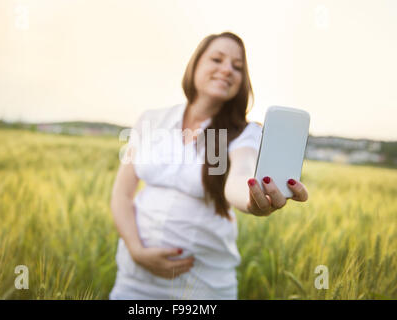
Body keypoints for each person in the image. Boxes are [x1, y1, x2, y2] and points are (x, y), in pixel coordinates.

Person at [109, 31, 309, 300]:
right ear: (194, 65)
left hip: (201, 289)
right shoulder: (151, 120)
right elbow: (122, 194)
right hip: (134, 281)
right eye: (217, 59)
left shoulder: (242, 133)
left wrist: (253, 199)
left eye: (237, 67)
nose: (227, 69)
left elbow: (239, 175)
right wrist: (136, 250)